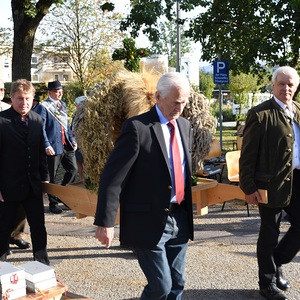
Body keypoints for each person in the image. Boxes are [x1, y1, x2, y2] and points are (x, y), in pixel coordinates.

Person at [94, 72, 194, 300]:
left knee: (177, 284)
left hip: (179, 217)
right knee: (161, 286)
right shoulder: (137, 128)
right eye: (175, 102)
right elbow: (112, 177)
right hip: (149, 220)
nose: (180, 107)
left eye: (184, 101)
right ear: (158, 96)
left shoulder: (185, 127)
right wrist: (105, 222)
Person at [239, 66, 300, 300]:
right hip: (270, 184)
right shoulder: (260, 114)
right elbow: (248, 155)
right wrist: (249, 186)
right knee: (269, 233)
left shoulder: (298, 110)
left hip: (298, 181)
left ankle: (277, 263)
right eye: (281, 84)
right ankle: (267, 283)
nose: (286, 88)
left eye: (290, 84)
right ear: (273, 85)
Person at [0, 79, 50, 265]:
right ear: (12, 98)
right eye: (20, 98)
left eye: (28, 98)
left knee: (38, 227)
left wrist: (43, 182)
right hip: (8, 187)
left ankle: (42, 263)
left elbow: (40, 155)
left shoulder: (37, 120)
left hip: (33, 187)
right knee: (4, 228)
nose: (24, 103)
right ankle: (1, 265)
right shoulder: (2, 121)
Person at [34, 80, 78, 214]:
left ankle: (62, 195)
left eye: (61, 91)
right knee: (52, 176)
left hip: (66, 144)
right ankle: (53, 203)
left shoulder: (62, 105)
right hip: (53, 145)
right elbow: (41, 128)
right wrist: (46, 144)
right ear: (50, 92)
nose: (60, 94)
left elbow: (66, 125)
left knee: (73, 170)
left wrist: (72, 139)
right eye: (57, 91)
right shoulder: (44, 106)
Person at [0, 79, 31, 253]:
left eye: (2, 88)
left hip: (16, 170)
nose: (1, 91)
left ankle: (16, 235)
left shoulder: (8, 109)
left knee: (19, 207)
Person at [72, 96, 86, 181]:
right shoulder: (76, 114)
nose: (76, 106)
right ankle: (82, 178)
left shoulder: (85, 114)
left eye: (77, 104)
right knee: (78, 160)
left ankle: (87, 179)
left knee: (84, 161)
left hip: (83, 142)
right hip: (76, 141)